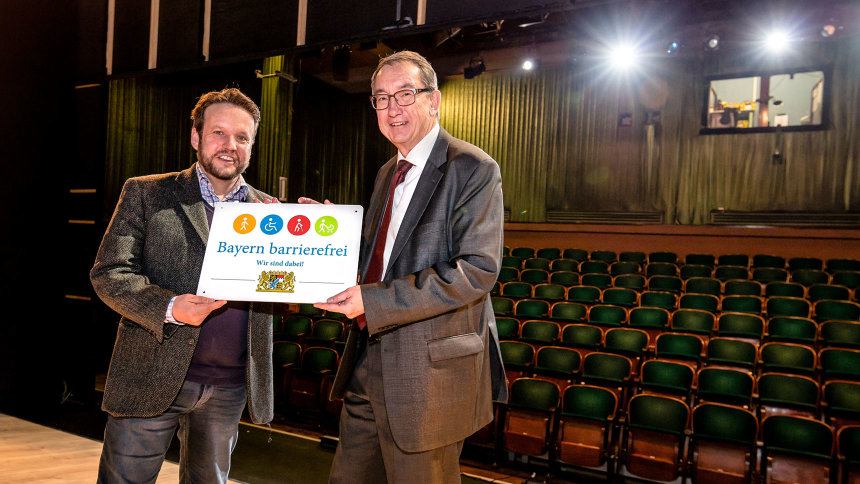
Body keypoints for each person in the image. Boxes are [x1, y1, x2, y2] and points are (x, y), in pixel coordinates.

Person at [306, 50, 507, 483]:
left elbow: (476, 270)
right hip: (367, 360)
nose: (392, 108)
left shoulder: (473, 168)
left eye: (405, 94)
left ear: (433, 101)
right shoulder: (386, 172)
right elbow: (384, 258)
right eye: (381, 98)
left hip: (427, 376)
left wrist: (373, 302)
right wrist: (327, 237)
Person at [90, 87, 277, 484]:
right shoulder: (146, 193)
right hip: (150, 374)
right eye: (218, 133)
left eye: (242, 137)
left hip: (229, 388)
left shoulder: (269, 211)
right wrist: (172, 307)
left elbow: (278, 285)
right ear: (196, 137)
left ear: (252, 145)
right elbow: (109, 273)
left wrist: (318, 243)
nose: (230, 146)